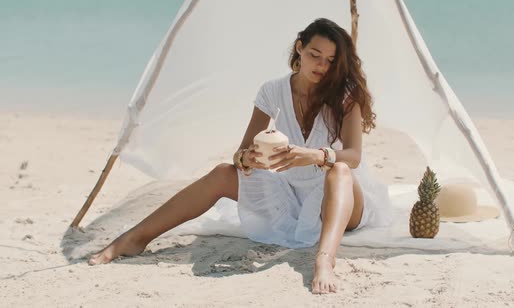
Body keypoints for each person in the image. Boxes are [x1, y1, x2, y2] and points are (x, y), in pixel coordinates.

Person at [89, 18, 393, 295]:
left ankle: (325, 260)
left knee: (338, 170)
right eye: (315, 55)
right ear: (299, 48)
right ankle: (135, 238)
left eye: (329, 60)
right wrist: (249, 160)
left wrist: (314, 155)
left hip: (338, 201)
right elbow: (241, 153)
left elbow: (352, 156)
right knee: (223, 172)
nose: (322, 66)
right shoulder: (272, 91)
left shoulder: (345, 95)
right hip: (289, 195)